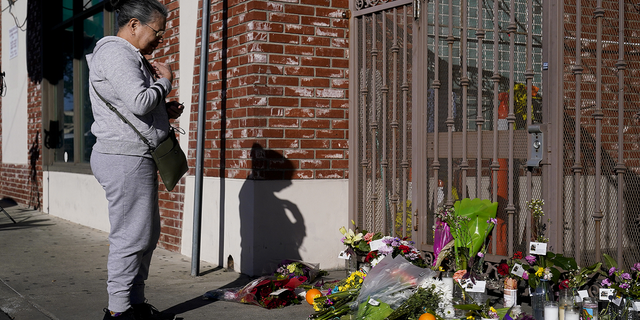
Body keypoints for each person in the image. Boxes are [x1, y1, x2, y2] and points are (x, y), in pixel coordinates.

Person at [87, 0, 183, 319]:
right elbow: (140, 102)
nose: (160, 38)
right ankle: (118, 311)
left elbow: (134, 105)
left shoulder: (130, 56)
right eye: (157, 31)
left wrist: (163, 111)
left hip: (133, 155)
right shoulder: (115, 53)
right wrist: (165, 81)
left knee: (146, 234)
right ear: (133, 25)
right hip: (123, 157)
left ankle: (135, 303)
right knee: (131, 237)